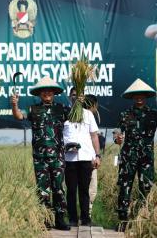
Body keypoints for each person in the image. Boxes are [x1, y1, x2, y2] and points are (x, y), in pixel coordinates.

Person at [11, 76, 71, 231]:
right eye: (43, 91)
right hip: (40, 158)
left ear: (54, 92)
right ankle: (45, 219)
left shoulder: (62, 109)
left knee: (58, 188)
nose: (47, 93)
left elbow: (77, 117)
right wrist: (14, 104)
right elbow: (18, 116)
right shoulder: (33, 109)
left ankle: (60, 219)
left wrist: (78, 100)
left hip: (57, 157)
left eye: (49, 90)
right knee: (43, 189)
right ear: (39, 94)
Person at [114, 78, 157, 232]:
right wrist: (117, 138)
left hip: (146, 159)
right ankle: (123, 220)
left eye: (142, 95)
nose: (139, 98)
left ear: (145, 97)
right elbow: (118, 133)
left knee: (146, 188)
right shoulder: (125, 114)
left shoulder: (154, 114)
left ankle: (144, 219)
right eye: (136, 95)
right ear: (132, 97)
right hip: (128, 158)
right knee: (125, 188)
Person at [63, 90, 101, 227]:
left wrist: (97, 155)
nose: (76, 97)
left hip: (86, 157)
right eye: (73, 95)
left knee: (84, 189)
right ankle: (72, 219)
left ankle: (86, 219)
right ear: (70, 97)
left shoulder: (88, 114)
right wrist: (65, 146)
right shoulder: (64, 113)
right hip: (69, 158)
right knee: (71, 190)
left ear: (83, 97)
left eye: (78, 95)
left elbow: (94, 136)